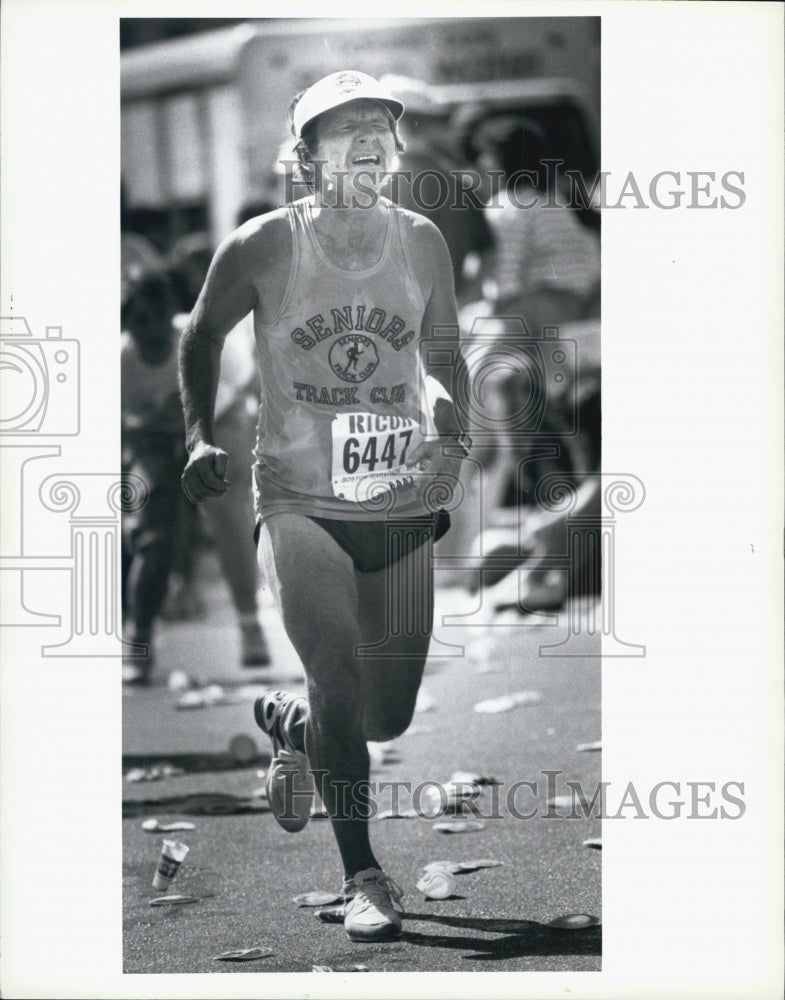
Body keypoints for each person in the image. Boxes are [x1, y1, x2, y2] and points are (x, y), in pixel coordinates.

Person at [179, 70, 470, 942]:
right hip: (298, 498)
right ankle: (364, 875)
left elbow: (446, 354)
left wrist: (450, 422)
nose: (367, 137)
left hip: (398, 499)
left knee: (386, 716)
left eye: (379, 124)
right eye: (342, 128)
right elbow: (200, 336)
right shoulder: (264, 244)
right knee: (339, 678)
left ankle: (299, 727)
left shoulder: (421, 242)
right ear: (305, 157)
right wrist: (199, 437)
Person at [121, 269, 188, 684]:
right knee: (154, 542)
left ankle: (252, 623)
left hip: (211, 438)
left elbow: (243, 384)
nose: (152, 330)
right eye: (140, 320)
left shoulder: (191, 340)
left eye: (158, 317)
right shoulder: (120, 361)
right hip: (151, 449)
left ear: (172, 315)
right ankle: (139, 639)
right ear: (128, 323)